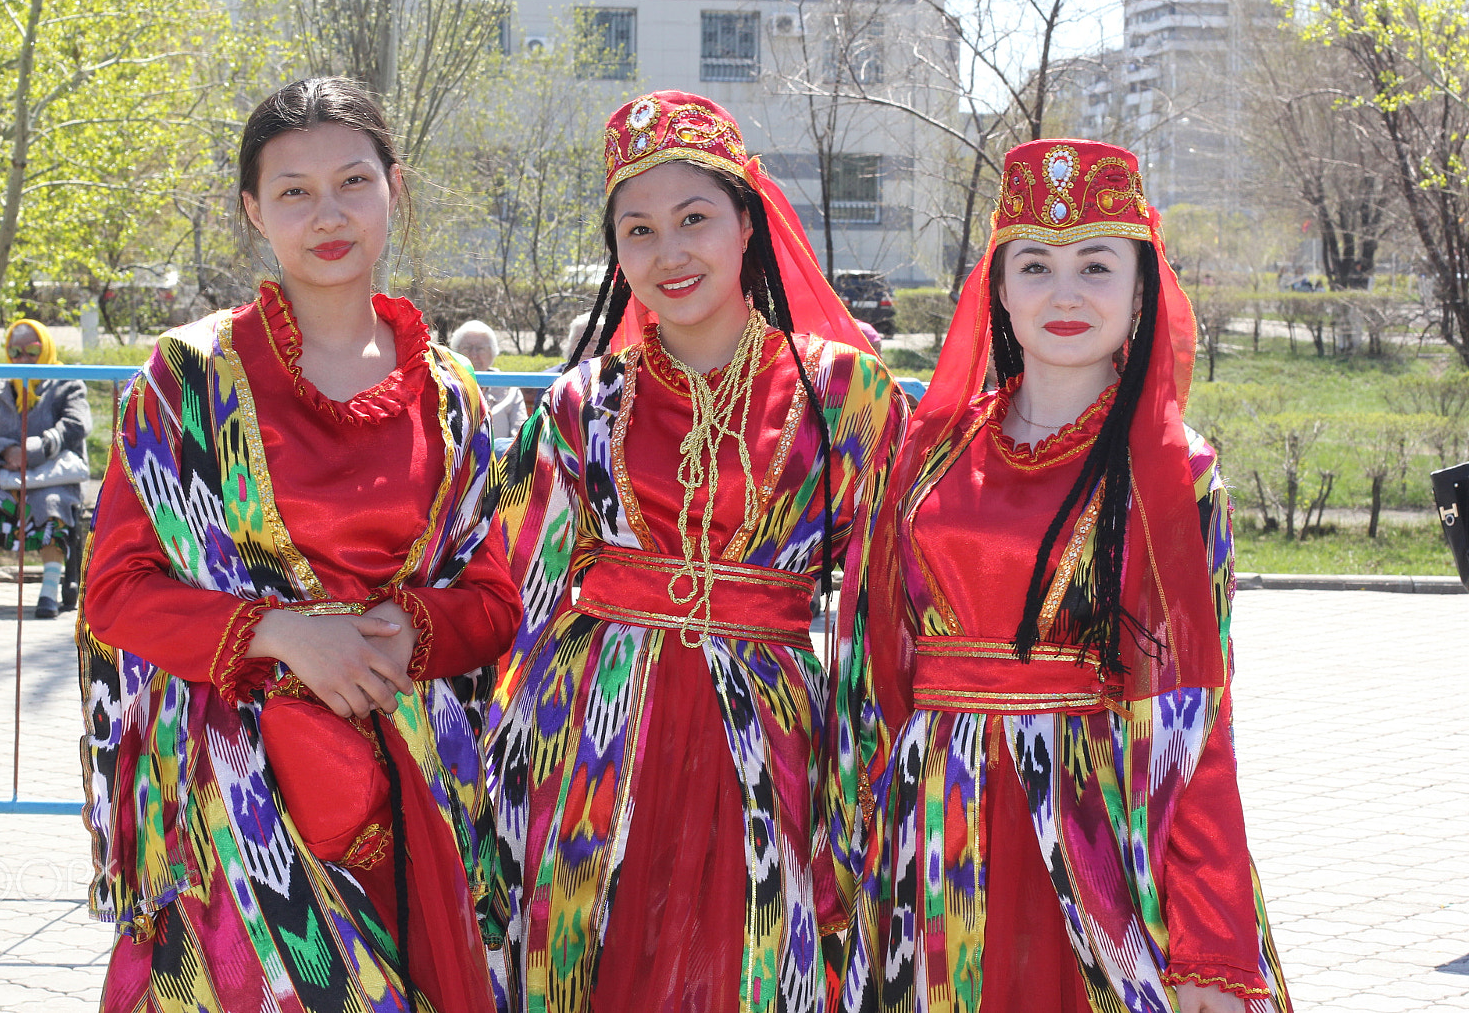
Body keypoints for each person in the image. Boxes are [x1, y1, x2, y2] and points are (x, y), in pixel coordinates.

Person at [78, 77, 520, 1012]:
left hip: (413, 798)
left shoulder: (451, 397)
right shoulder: (187, 381)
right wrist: (280, 635)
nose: (329, 214)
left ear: (395, 189)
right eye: (293, 192)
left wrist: (407, 631)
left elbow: (492, 602)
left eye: (353, 182)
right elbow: (115, 593)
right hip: (236, 806)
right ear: (252, 211)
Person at [852, 140, 1291, 1013]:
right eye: (1036, 265)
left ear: (1141, 290)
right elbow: (881, 665)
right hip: (930, 827)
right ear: (998, 288)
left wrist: (1208, 944)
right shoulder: (926, 451)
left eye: (1096, 265)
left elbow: (1194, 718)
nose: (1064, 293)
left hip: (1094, 830)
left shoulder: (1174, 476)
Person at [489, 90, 904, 1012]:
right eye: (637, 231)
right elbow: (499, 583)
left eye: (694, 219)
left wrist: (868, 783)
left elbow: (891, 608)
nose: (668, 252)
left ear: (747, 224)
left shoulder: (848, 396)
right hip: (593, 742)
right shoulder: (581, 403)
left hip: (767, 741)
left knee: (757, 963)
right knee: (597, 964)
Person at [0, 319, 90, 619]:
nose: (23, 359)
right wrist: (6, 451)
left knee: (53, 506)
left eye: (31, 351)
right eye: (15, 352)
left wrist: (37, 448)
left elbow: (76, 425)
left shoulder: (68, 383)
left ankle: (49, 592)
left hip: (52, 474)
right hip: (3, 473)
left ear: (46, 348)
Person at [449, 319, 527, 443]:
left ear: (492, 353)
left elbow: (520, 438)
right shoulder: (445, 387)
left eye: (480, 348)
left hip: (500, 459)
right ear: (455, 352)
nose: (473, 354)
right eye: (467, 348)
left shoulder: (510, 390)